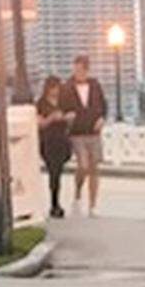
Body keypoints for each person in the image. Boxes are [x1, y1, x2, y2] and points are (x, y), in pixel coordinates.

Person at [61, 54, 108, 215]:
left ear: (87, 70)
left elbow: (103, 105)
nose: (77, 73)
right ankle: (77, 194)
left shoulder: (95, 85)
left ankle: (93, 205)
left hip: (94, 131)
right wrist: (66, 117)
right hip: (77, 132)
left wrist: (102, 119)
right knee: (83, 166)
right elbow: (62, 107)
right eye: (75, 69)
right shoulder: (67, 87)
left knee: (94, 168)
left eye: (80, 70)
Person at [36, 75, 71, 218]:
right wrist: (51, 118)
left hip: (62, 140)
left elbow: (70, 117)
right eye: (53, 88)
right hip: (49, 141)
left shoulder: (64, 102)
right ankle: (54, 203)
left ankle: (56, 201)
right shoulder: (41, 103)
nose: (55, 91)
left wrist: (66, 118)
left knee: (59, 171)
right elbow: (40, 123)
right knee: (54, 172)